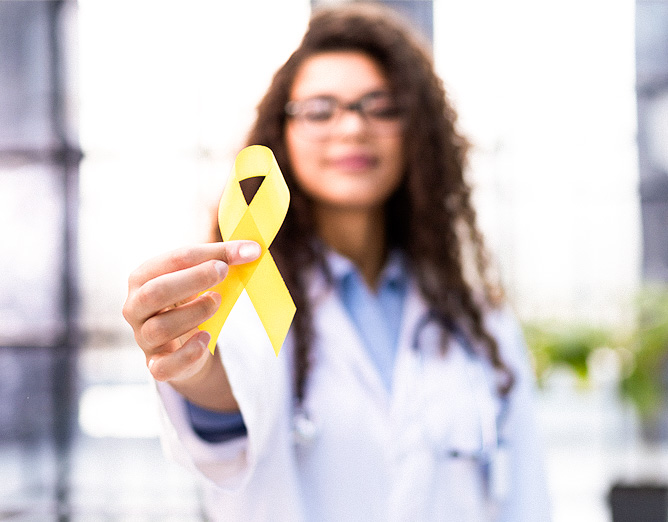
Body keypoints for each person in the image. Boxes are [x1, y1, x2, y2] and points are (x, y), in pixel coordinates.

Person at [123, 3, 551, 521]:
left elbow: (527, 500)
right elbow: (226, 401)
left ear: (417, 130)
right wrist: (188, 362)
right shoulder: (249, 302)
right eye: (321, 109)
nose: (351, 128)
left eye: (381, 106)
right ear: (282, 132)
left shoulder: (480, 324)